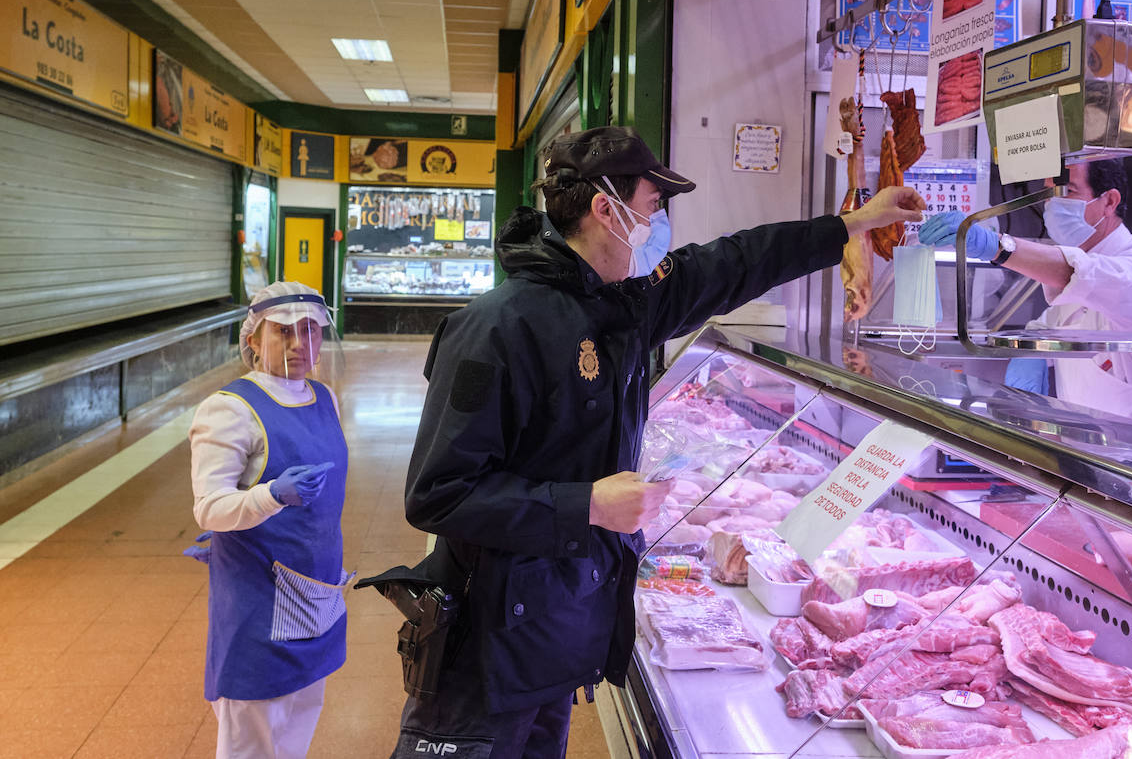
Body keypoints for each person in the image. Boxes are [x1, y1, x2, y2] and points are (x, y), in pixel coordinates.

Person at [384, 126, 924, 758]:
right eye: (650, 207)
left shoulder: (620, 307)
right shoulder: (492, 330)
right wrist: (583, 504)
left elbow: (733, 262)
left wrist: (852, 225)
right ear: (604, 209)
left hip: (557, 636)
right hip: (484, 650)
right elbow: (438, 496)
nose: (656, 223)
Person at [917, 159, 1132, 441]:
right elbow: (1049, 324)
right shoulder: (1075, 272)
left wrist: (996, 246)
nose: (1051, 204)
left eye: (1067, 192)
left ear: (1109, 202)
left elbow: (1089, 276)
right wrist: (1030, 356)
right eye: (1048, 193)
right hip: (1102, 456)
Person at [186, 280, 351, 759]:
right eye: (285, 332)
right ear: (254, 339)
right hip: (257, 597)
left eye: (312, 332)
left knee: (299, 721)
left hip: (316, 588)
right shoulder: (229, 410)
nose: (302, 345)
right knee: (252, 735)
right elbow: (209, 507)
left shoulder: (325, 400)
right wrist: (270, 495)